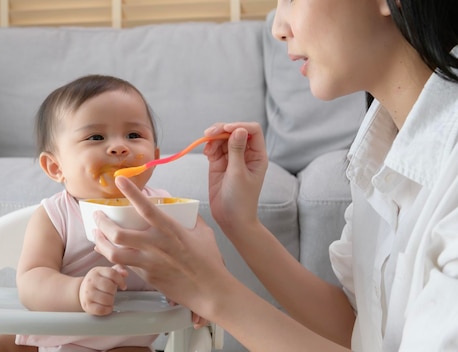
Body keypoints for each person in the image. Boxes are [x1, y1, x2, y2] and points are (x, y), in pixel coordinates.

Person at [93, 0, 458, 351]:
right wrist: (242, 225)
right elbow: (362, 330)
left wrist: (210, 290)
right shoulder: (384, 147)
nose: (277, 28)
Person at [0, 74, 205, 352]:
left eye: (134, 135)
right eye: (96, 137)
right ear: (56, 167)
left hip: (127, 342)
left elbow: (202, 262)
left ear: (154, 156)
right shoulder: (53, 215)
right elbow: (31, 281)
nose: (120, 146)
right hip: (54, 339)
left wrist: (197, 292)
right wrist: (78, 292)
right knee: (2, 346)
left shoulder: (167, 209)